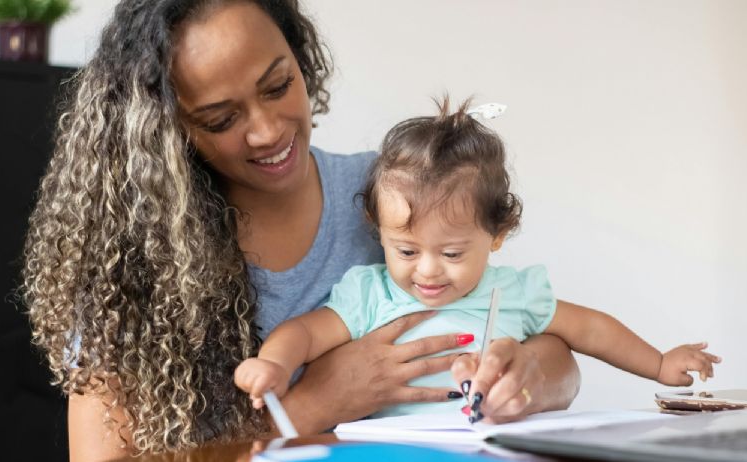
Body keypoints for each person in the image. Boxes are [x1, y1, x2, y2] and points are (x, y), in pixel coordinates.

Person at [21, 0, 580, 462]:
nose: (267, 131)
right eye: (220, 118)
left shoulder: (393, 201)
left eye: (278, 86)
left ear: (300, 54)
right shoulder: (134, 264)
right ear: (166, 129)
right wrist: (313, 405)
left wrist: (523, 375)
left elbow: (557, 357)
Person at [235, 98, 721, 422]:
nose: (426, 270)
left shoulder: (514, 293)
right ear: (377, 232)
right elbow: (304, 332)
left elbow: (591, 330)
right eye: (405, 250)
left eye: (451, 253)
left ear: (497, 236)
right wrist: (274, 365)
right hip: (390, 460)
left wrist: (658, 363)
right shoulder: (371, 293)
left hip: (495, 457)